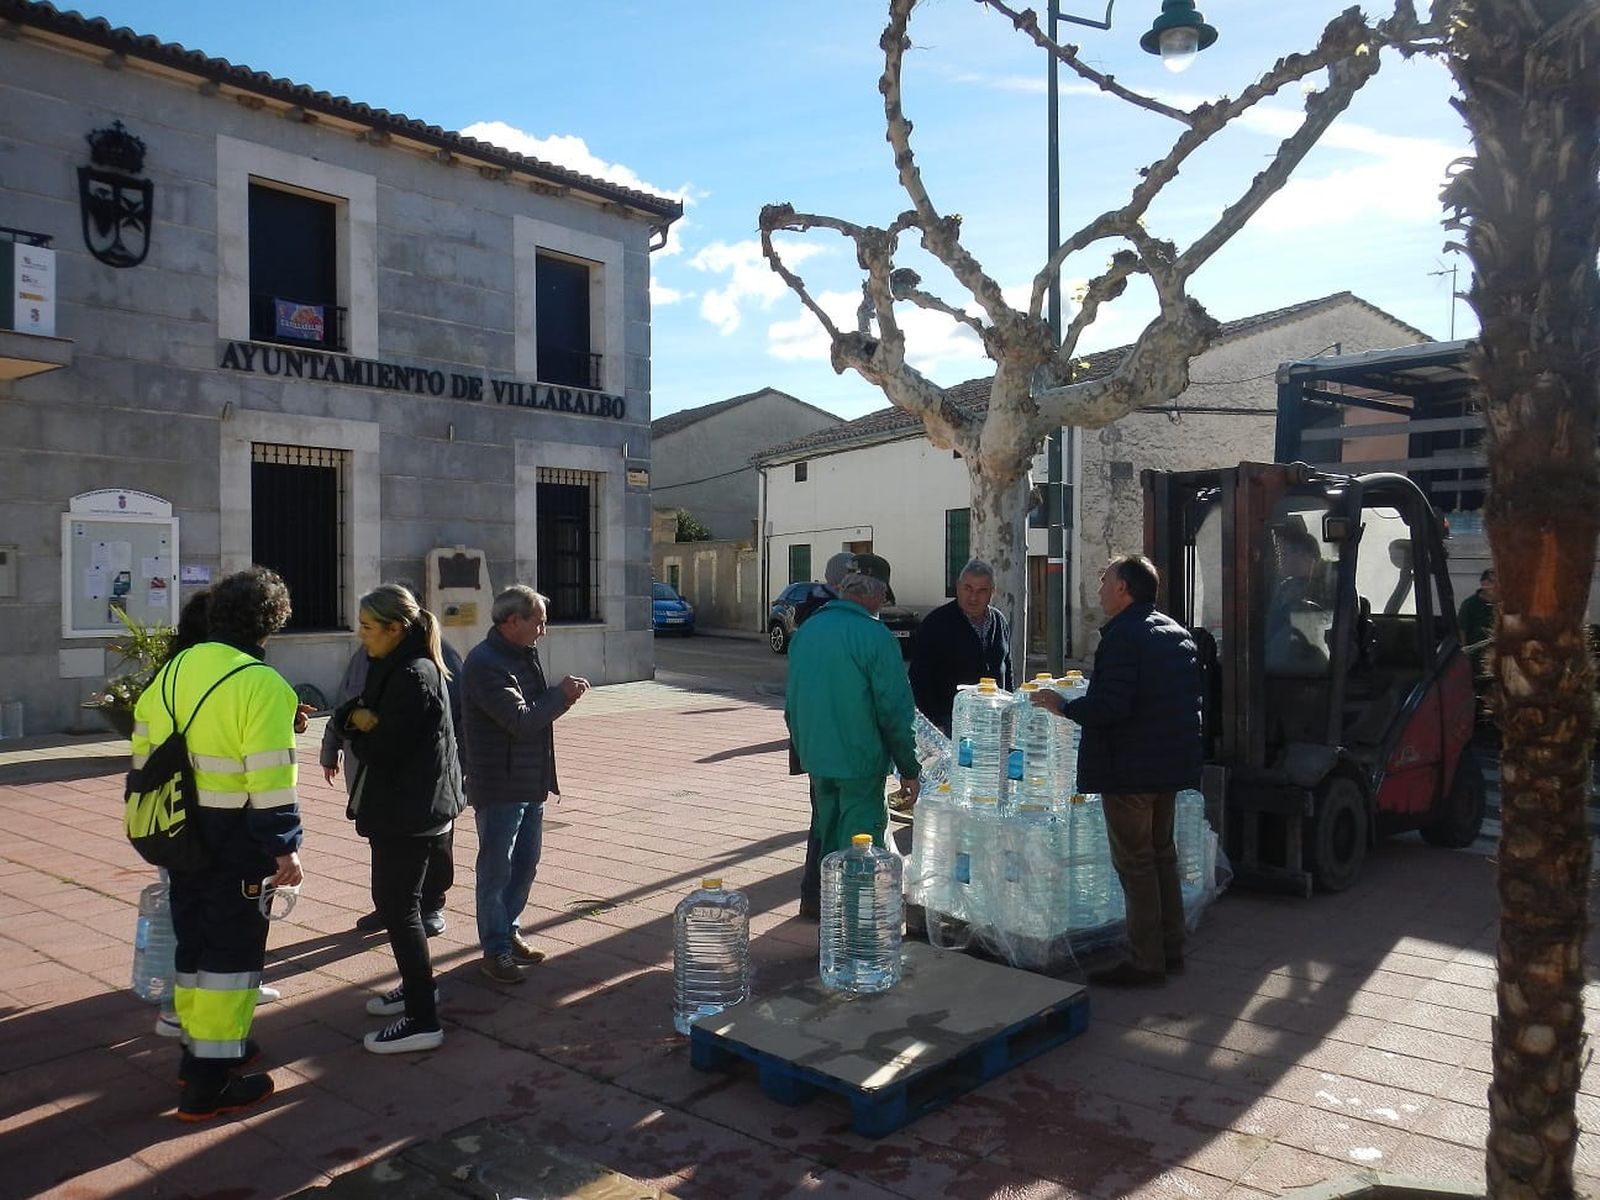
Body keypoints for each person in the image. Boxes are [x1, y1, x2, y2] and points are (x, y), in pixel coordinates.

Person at [131, 566, 303, 1121]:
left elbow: (145, 746)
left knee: (196, 944)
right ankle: (207, 1082)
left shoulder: (176, 667)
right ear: (272, 621)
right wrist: (286, 847)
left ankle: (198, 1051)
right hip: (236, 840)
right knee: (231, 958)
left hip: (181, 834)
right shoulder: (262, 684)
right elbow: (270, 778)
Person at [1029, 554, 1202, 988]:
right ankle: (1171, 948)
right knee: (1162, 857)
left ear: (1123, 587)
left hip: (1131, 769)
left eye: (1105, 579)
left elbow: (1112, 706)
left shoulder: (1125, 636)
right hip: (1168, 765)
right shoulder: (1176, 634)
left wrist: (1064, 705)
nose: (1100, 587)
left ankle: (1146, 961)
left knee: (1137, 864)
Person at [337, 584, 463, 1054]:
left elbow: (384, 749)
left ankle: (423, 1020)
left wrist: (364, 729)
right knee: (397, 905)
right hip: (408, 806)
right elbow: (352, 715)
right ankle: (418, 989)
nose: (360, 635)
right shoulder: (390, 664)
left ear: (396, 628)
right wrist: (359, 721)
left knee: (399, 908)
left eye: (369, 627)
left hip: (411, 810)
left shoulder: (414, 674)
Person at [461, 585, 589, 984]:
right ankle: (495, 949)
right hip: (500, 783)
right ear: (512, 621)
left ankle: (508, 930)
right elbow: (520, 721)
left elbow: (532, 718)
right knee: (496, 869)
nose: (543, 632)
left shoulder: (519, 655)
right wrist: (561, 696)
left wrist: (558, 700)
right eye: (539, 623)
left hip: (529, 780)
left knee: (525, 864)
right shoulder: (486, 664)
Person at [324, 636, 463, 937]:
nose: (363, 632)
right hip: (371, 772)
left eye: (369, 624)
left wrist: (462, 767)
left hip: (426, 781)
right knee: (383, 842)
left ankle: (431, 904)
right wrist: (330, 747)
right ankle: (388, 906)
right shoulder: (364, 656)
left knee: (433, 846)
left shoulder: (435, 657)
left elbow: (458, 716)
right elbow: (345, 704)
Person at [785, 569, 921, 864]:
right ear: (875, 596)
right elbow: (895, 711)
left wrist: (804, 748)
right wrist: (909, 768)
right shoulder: (876, 636)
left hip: (818, 758)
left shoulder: (807, 631)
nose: (882, 606)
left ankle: (830, 907)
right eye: (883, 599)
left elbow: (792, 704)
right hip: (859, 762)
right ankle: (855, 909)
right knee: (860, 853)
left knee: (830, 846)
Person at [794, 551, 875, 919]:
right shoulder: (831, 616)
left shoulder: (812, 616)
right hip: (841, 745)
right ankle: (832, 906)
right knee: (836, 828)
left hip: (815, 743)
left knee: (823, 824)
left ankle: (816, 900)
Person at [908, 559, 1014, 735]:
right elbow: (919, 678)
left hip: (994, 722)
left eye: (982, 591)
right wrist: (934, 723)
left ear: (992, 593)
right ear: (958, 587)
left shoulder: (999, 621)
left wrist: (1011, 710)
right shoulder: (935, 623)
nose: (973, 597)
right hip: (950, 724)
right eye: (968, 588)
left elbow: (1007, 669)